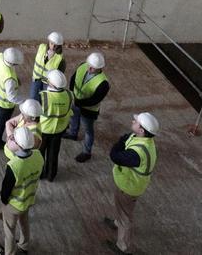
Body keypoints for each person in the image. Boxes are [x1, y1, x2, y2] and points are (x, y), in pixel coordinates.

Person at [104, 112, 160, 255]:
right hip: (129, 184)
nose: (132, 122)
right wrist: (127, 138)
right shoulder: (145, 140)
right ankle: (117, 222)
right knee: (123, 210)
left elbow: (115, 156)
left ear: (141, 130)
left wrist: (120, 142)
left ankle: (122, 247)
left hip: (128, 187)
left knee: (125, 217)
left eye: (136, 122)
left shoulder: (137, 153)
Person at [0, 127, 43, 255]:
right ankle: (24, 246)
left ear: (18, 145)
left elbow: (6, 189)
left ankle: (9, 252)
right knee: (24, 223)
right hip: (28, 199)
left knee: (9, 230)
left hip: (14, 204)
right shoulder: (38, 156)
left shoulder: (14, 165)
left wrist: (4, 201)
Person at [66, 52, 110, 162]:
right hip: (76, 101)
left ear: (100, 68)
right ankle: (73, 133)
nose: (89, 68)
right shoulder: (83, 66)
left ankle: (87, 152)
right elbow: (73, 78)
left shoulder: (103, 83)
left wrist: (77, 102)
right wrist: (72, 93)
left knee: (88, 131)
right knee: (73, 118)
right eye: (89, 65)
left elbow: (94, 100)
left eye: (93, 68)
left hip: (88, 110)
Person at [38, 69, 71, 182]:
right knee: (54, 153)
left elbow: (36, 113)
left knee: (40, 153)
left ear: (51, 83)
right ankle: (51, 175)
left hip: (43, 130)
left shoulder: (43, 96)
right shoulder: (69, 95)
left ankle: (41, 173)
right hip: (59, 131)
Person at [29, 31, 64, 99]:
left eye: (55, 45)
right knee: (33, 97)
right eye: (51, 43)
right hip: (36, 78)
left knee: (45, 99)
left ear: (59, 45)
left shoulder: (60, 58)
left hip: (48, 83)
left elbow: (59, 73)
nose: (53, 46)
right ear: (48, 41)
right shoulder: (41, 47)